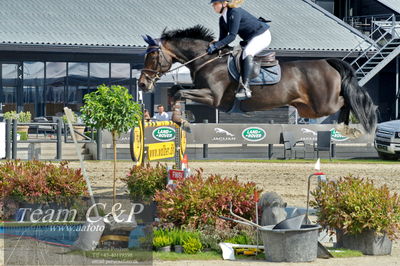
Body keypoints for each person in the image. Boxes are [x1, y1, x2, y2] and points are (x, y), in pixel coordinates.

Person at [207, 0, 271, 100]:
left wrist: (216, 46)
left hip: (262, 35)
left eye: (215, 4)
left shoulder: (234, 12)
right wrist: (215, 44)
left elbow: (232, 36)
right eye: (213, 4)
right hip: (250, 38)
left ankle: (245, 87)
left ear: (224, 3)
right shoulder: (222, 20)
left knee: (247, 52)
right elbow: (223, 40)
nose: (213, 6)